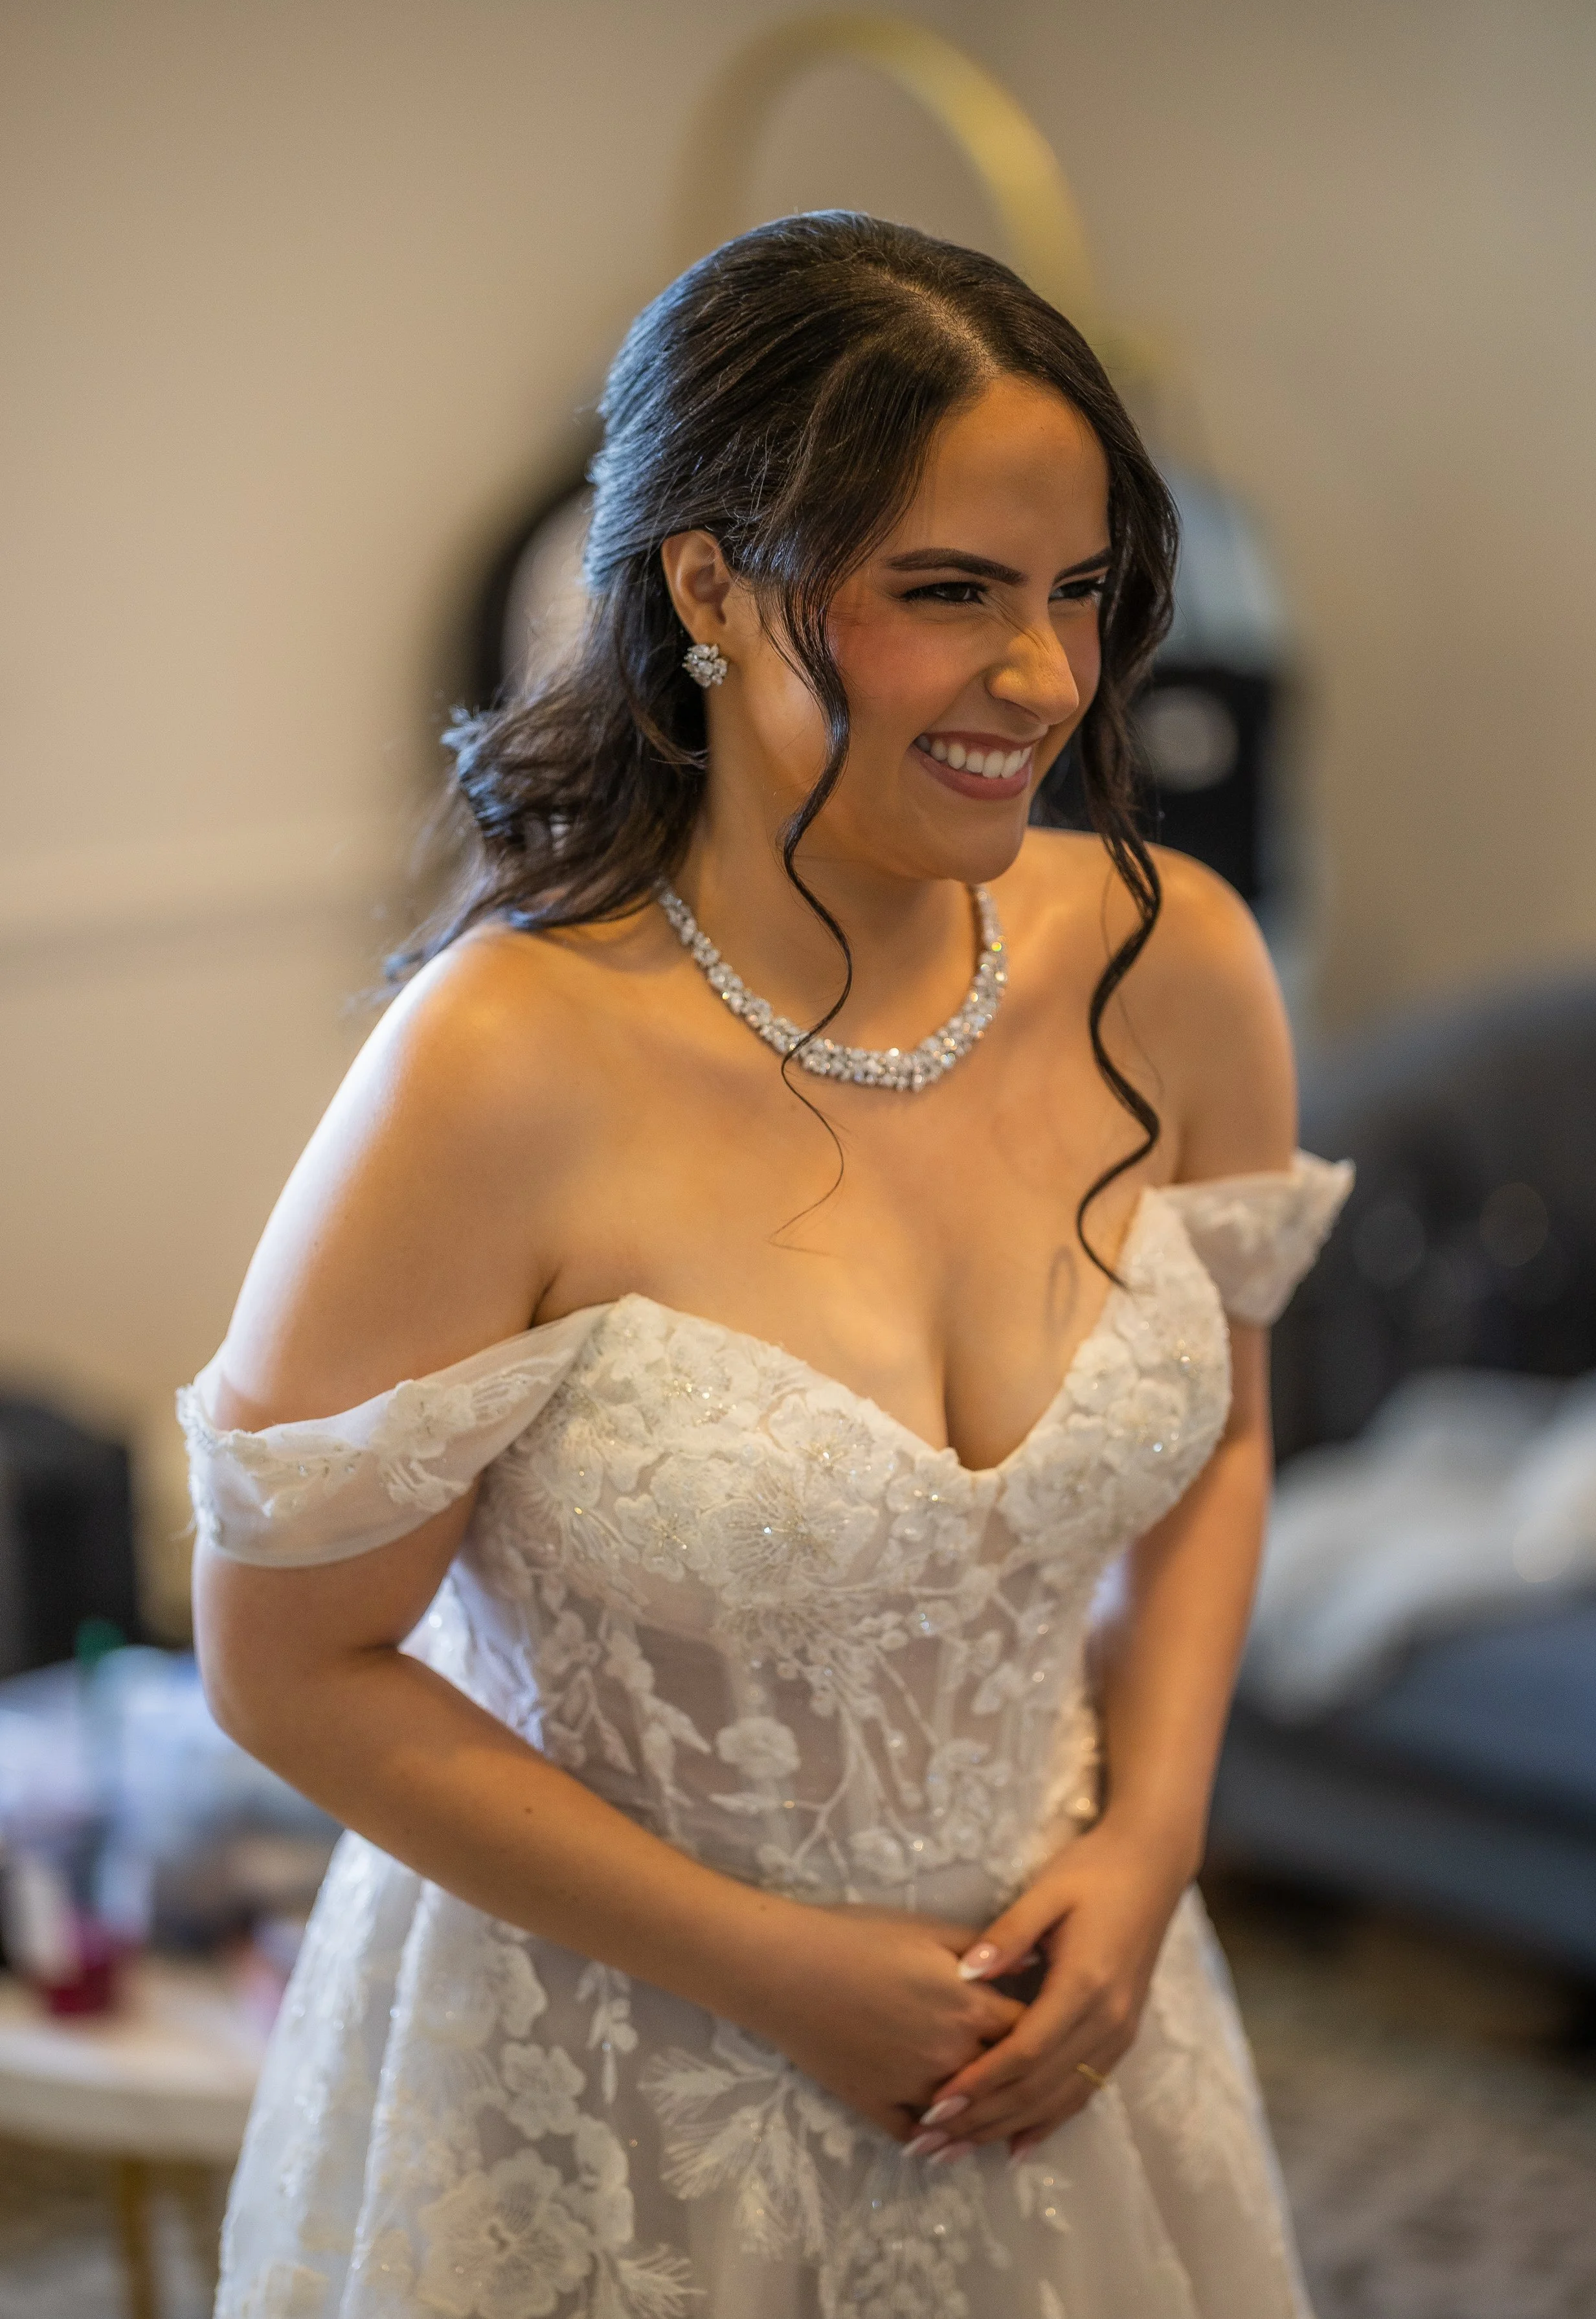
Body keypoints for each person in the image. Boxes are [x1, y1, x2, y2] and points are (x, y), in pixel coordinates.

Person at [182, 212, 1349, 2319]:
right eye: (949, 595)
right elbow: (286, 1661)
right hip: (609, 2090)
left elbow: (1225, 1449)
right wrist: (778, 1971)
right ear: (711, 587)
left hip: (1074, 2031)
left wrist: (1150, 1834)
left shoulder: (1177, 963)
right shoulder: (498, 1060)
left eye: (1076, 595)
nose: (1044, 680)